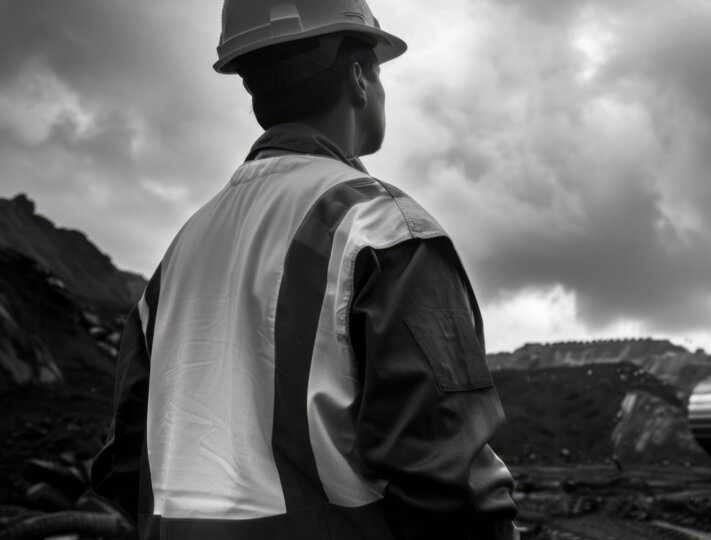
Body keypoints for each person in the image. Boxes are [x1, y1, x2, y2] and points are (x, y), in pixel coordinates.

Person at [89, 1, 518, 538]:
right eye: (378, 70)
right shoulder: (385, 227)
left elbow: (129, 463)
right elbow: (447, 482)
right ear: (360, 78)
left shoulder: (179, 255)